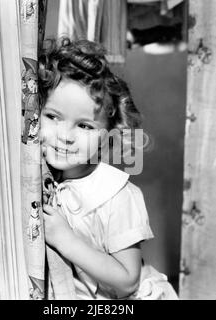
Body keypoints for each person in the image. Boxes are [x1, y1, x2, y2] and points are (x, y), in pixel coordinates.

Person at [38, 37, 177, 300]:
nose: (65, 136)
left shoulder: (117, 195)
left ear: (109, 134)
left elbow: (127, 282)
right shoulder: (45, 174)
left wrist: (65, 239)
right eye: (53, 117)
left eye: (85, 126)